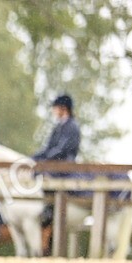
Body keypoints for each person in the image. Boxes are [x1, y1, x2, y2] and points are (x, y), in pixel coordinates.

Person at [33, 95, 81, 229]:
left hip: (65, 163)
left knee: (46, 175)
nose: (53, 111)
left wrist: (45, 158)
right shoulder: (58, 127)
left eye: (55, 108)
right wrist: (34, 157)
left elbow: (62, 149)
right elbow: (48, 147)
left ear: (63, 109)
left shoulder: (72, 126)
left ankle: (50, 208)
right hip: (55, 161)